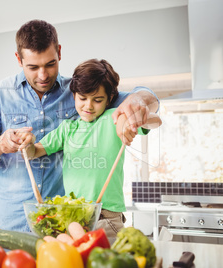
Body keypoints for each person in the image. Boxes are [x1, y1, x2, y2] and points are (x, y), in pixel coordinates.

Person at [0, 19, 159, 232]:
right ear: (19, 60)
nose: (43, 75)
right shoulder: (0, 93)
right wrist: (1, 145)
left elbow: (141, 100)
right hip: (9, 222)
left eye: (50, 64)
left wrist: (141, 99)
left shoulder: (80, 91)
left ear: (59, 52)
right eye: (33, 67)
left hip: (65, 223)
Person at [16, 58, 162, 239]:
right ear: (74, 96)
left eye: (97, 100)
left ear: (109, 99)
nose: (88, 106)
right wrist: (27, 143)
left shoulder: (114, 118)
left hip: (106, 216)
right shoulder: (67, 128)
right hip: (73, 219)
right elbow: (34, 152)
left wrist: (132, 119)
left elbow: (157, 121)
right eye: (82, 98)